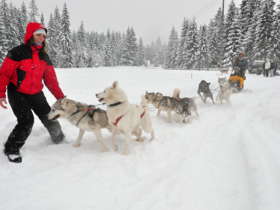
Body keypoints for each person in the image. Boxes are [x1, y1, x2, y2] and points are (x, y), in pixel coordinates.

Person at [0, 22, 65, 163]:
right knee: (26, 121)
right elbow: (3, 74)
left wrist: (61, 98)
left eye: (43, 35)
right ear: (30, 35)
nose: (41, 38)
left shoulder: (44, 57)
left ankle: (60, 140)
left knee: (50, 116)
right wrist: (1, 94)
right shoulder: (17, 53)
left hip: (36, 92)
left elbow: (51, 80)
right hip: (17, 92)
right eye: (38, 34)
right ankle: (11, 149)